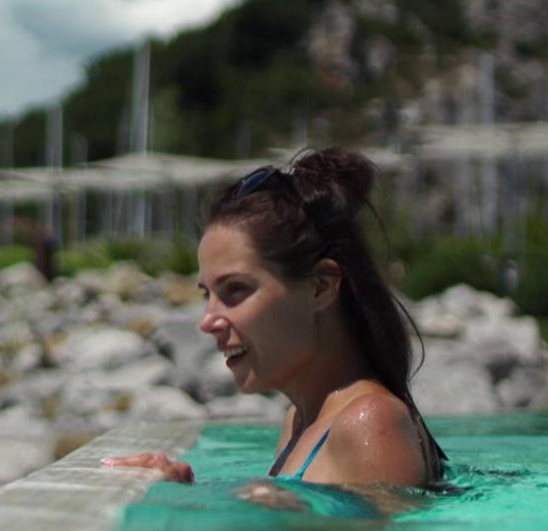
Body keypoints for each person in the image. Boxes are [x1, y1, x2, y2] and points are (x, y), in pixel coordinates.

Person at [102, 147, 445, 490]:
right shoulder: (300, 422)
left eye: (236, 289)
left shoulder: (368, 421)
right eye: (208, 295)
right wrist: (178, 488)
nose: (208, 322)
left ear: (320, 287)